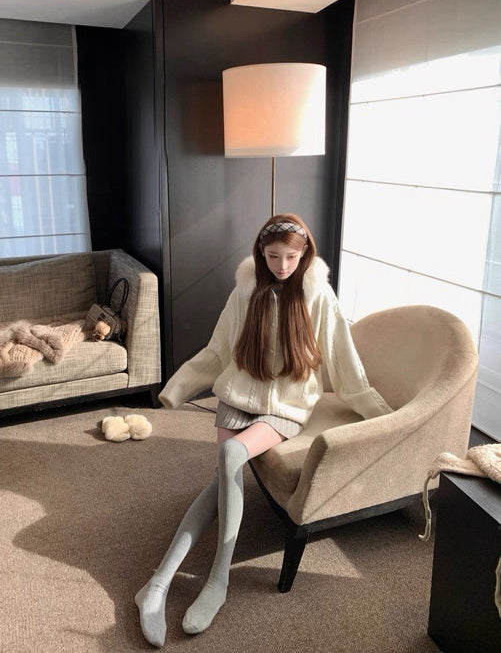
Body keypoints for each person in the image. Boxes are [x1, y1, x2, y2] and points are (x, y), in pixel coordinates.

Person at [134, 213, 391, 647]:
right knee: (222, 480)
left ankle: (217, 582)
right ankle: (156, 585)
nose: (282, 266)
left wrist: (377, 411)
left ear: (304, 254)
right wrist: (177, 388)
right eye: (273, 256)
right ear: (260, 252)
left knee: (232, 455)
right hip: (237, 396)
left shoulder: (318, 295)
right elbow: (219, 350)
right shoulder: (246, 289)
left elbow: (342, 359)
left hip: (286, 407)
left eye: (291, 257)